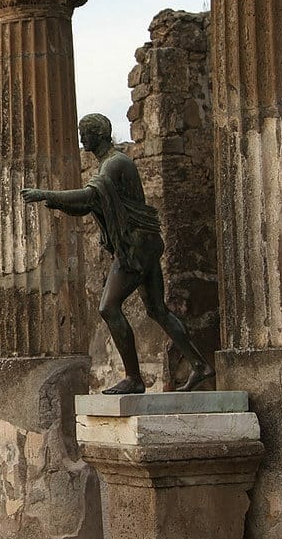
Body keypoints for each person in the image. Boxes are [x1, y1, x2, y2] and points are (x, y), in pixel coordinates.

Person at [21, 113, 214, 394]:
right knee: (157, 310)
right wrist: (54, 202)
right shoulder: (108, 165)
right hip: (143, 243)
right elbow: (88, 206)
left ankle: (134, 379)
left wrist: (44, 194)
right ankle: (200, 365)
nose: (80, 138)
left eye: (84, 132)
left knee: (108, 308)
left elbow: (89, 197)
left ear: (99, 134)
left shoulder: (114, 164)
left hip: (136, 246)